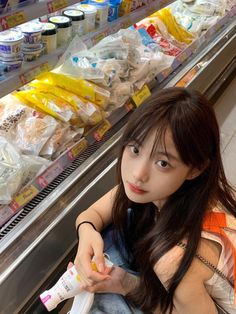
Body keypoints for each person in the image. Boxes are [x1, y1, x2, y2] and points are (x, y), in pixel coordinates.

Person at [73, 87, 236, 314]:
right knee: (115, 227)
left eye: (163, 163)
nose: (139, 173)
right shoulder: (205, 192)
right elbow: (94, 214)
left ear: (195, 169)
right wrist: (87, 231)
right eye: (135, 149)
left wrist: (126, 285)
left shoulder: (175, 259)